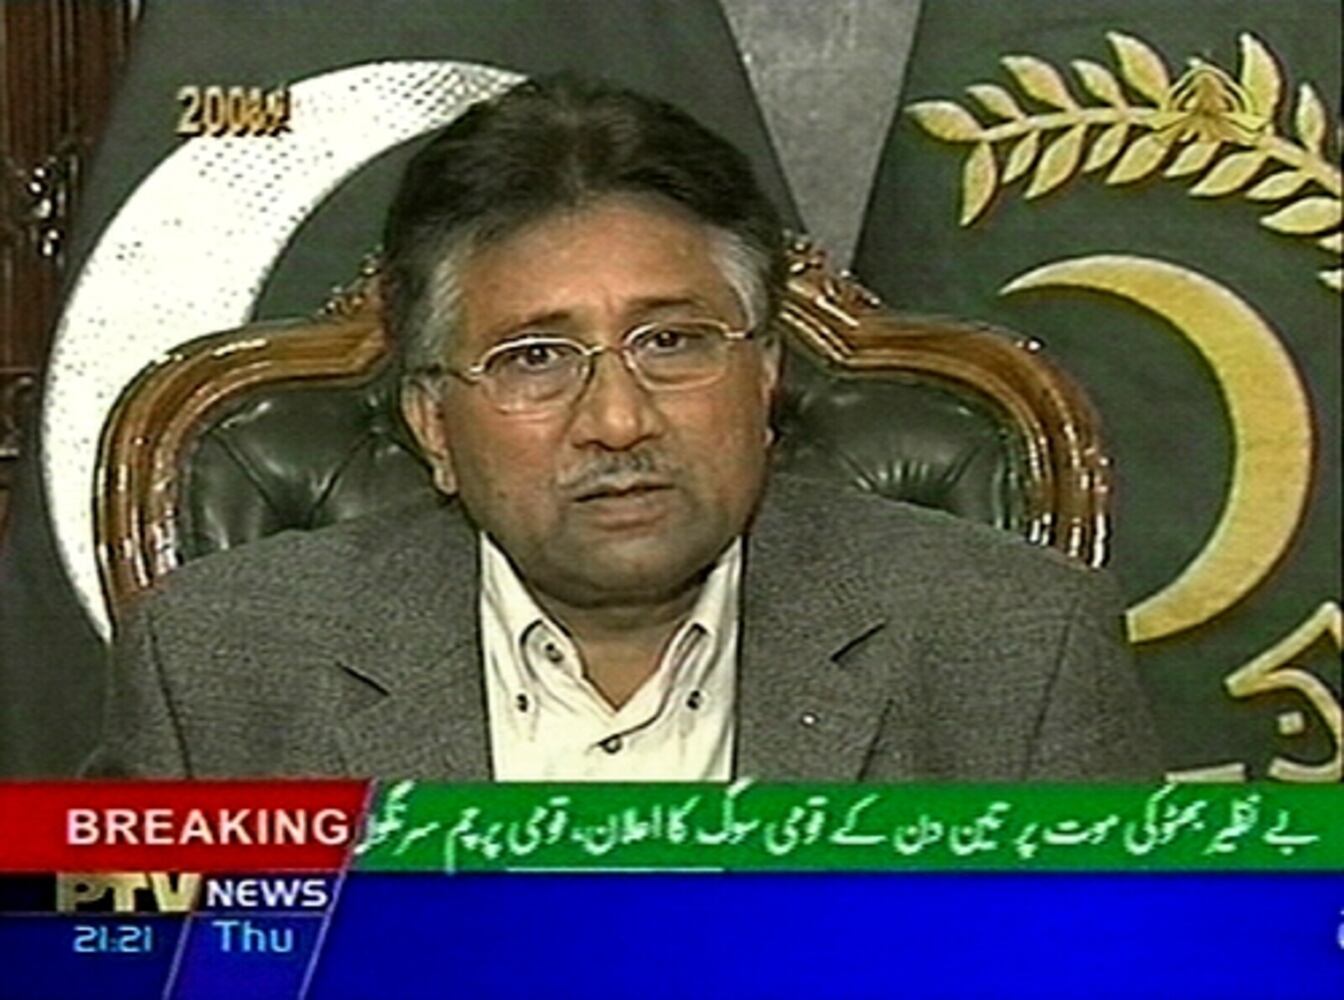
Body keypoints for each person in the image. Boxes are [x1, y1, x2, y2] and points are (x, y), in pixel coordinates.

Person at [88, 76, 1159, 781]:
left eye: (673, 342)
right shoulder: (223, 664)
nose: (616, 420)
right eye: (534, 358)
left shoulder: (1013, 642)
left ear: (765, 376)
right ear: (432, 427)